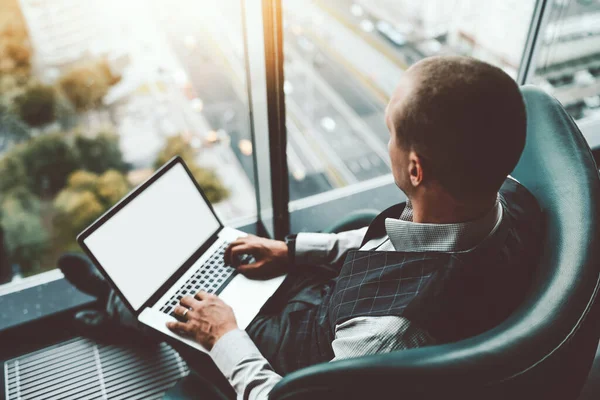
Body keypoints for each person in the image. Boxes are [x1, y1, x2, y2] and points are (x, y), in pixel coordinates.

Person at [60, 55, 542, 399]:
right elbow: (391, 245)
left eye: (392, 132)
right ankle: (122, 298)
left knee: (178, 311)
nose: (387, 142)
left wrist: (224, 337)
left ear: (415, 170)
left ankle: (119, 308)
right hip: (333, 304)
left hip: (299, 357)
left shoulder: (388, 337)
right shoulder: (502, 202)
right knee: (219, 276)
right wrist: (292, 250)